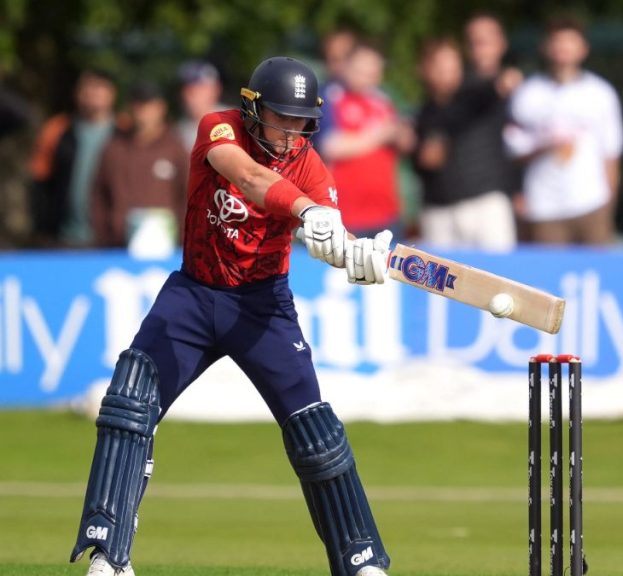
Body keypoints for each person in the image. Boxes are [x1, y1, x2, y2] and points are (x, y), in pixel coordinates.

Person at [69, 56, 393, 576]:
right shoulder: (218, 128)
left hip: (263, 307)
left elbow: (331, 237)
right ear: (253, 109)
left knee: (317, 435)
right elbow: (248, 176)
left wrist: (356, 255)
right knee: (131, 402)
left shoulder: (312, 166)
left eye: (301, 121)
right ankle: (109, 554)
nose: (291, 133)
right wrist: (309, 212)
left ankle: (361, 560)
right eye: (280, 118)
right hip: (194, 295)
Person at [504, 16, 623, 245]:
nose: (563, 48)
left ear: (583, 49)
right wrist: (544, 145)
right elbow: (512, 150)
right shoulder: (527, 94)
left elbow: (611, 155)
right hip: (543, 206)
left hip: (591, 203)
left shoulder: (601, 93)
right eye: (557, 41)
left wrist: (609, 205)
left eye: (570, 42)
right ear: (545, 47)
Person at [412, 34, 519, 250]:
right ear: (424, 69)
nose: (446, 71)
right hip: (440, 210)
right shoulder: (423, 113)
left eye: (451, 64)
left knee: (497, 279)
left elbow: (473, 103)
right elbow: (423, 162)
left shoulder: (477, 94)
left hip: (485, 205)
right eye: (439, 65)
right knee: (437, 282)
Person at [317, 41, 415, 240]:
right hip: (346, 214)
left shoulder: (383, 101)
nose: (368, 76)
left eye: (373, 71)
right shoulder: (330, 97)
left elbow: (405, 143)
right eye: (362, 69)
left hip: (387, 214)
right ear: (347, 66)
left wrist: (403, 135)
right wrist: (379, 135)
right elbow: (330, 146)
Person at [91, 80, 188, 251]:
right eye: (137, 105)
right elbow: (98, 195)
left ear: (161, 108)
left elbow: (188, 196)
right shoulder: (114, 148)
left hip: (167, 249)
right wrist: (103, 238)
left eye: (148, 105)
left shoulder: (176, 148)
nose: (143, 112)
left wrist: (183, 241)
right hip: (116, 248)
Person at [29, 68, 118, 246]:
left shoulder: (124, 133)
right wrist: (42, 228)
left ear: (112, 93)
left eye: (99, 87)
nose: (92, 93)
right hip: (65, 237)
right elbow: (39, 180)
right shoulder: (56, 130)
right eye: (87, 87)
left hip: (112, 240)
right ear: (76, 93)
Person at [175, 60, 229, 150]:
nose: (191, 93)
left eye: (199, 88)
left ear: (216, 89)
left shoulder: (236, 120)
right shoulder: (177, 132)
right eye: (187, 88)